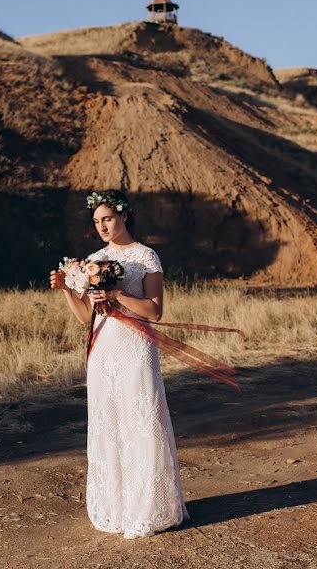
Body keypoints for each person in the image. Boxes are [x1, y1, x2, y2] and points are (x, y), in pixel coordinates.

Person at [49, 189, 189, 538]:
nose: (102, 226)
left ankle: (149, 508)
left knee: (141, 421)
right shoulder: (94, 259)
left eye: (108, 218)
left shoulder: (146, 257)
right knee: (108, 424)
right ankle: (115, 507)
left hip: (135, 348)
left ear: (124, 215)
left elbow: (155, 311)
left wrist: (118, 295)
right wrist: (68, 288)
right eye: (97, 222)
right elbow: (85, 317)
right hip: (103, 350)